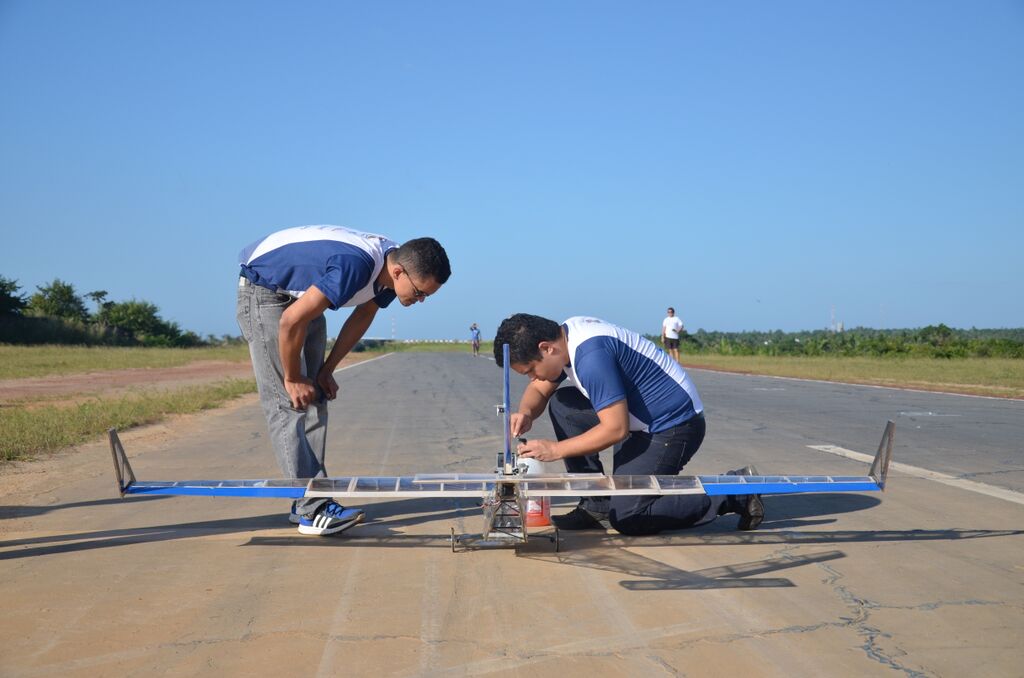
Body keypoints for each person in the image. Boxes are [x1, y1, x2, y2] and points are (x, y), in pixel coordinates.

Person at [237, 225, 451, 536]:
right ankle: (313, 507)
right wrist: (292, 376)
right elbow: (290, 320)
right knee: (288, 402)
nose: (419, 301)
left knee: (315, 397)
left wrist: (327, 370)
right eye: (419, 293)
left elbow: (363, 315)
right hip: (265, 291)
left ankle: (308, 500)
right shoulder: (358, 265)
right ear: (399, 271)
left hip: (301, 299)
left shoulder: (389, 271)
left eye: (426, 297)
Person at [493, 313, 763, 536]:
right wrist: (526, 412)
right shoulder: (565, 338)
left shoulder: (590, 357)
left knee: (629, 516)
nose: (531, 378)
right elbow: (540, 390)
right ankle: (595, 503)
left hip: (673, 427)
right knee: (564, 404)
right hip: (638, 418)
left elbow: (615, 429)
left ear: (545, 348)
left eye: (529, 370)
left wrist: (556, 450)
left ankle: (735, 492)